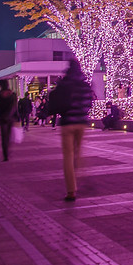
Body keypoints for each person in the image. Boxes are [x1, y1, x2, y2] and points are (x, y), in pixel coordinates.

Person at [50, 59, 94, 202]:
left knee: (68, 156)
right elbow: (89, 102)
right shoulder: (85, 85)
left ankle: (71, 190)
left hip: (68, 123)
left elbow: (56, 101)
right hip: (81, 123)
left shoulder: (64, 84)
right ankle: (76, 177)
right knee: (77, 154)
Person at [0, 79, 18, 162]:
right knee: (9, 136)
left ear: (0, 86)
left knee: (4, 137)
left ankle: (5, 154)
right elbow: (15, 107)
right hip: (10, 118)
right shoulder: (13, 95)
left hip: (2, 118)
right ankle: (7, 151)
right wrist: (17, 117)